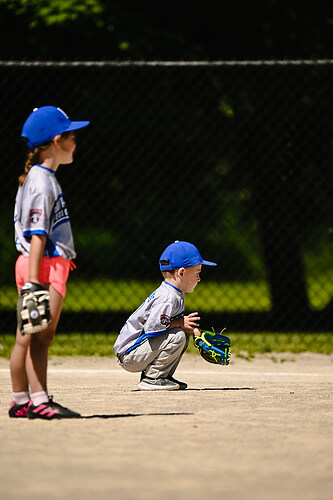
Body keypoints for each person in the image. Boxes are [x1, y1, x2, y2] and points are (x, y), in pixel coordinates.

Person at [8, 106, 89, 419]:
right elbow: (39, 234)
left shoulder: (40, 178)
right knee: (39, 337)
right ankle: (38, 400)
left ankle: (22, 400)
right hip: (42, 265)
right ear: (57, 140)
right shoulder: (42, 182)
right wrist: (32, 281)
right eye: (72, 136)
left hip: (37, 264)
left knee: (29, 337)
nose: (76, 142)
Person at [113, 240, 217, 390]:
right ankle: (153, 378)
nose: (199, 278)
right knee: (178, 336)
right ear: (181, 273)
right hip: (130, 354)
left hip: (137, 350)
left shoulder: (174, 293)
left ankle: (162, 375)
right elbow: (152, 328)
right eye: (197, 273)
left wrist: (193, 331)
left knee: (181, 334)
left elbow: (166, 326)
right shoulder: (167, 298)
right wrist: (179, 323)